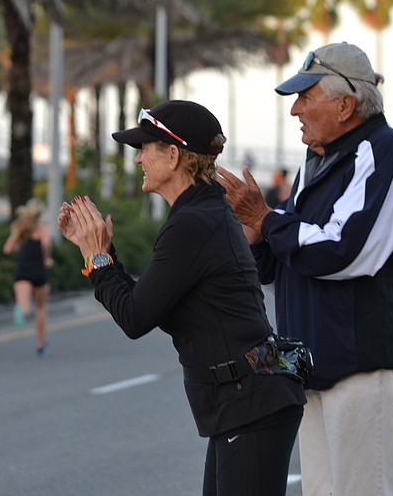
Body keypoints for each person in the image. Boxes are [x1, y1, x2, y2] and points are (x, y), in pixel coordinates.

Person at [58, 100, 306, 496]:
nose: (138, 159)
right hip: (244, 403)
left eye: (145, 148)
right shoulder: (199, 215)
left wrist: (99, 258)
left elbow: (135, 318)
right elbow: (145, 302)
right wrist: (103, 257)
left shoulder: (194, 224)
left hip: (251, 403)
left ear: (173, 155)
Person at [217, 42, 393, 496]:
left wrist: (266, 219)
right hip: (310, 366)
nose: (294, 110)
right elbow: (284, 266)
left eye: (304, 97)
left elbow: (345, 250)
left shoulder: (387, 151)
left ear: (345, 104)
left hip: (360, 365)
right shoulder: (316, 162)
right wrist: (258, 238)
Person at [3, 197, 53, 355]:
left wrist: (20, 249)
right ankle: (40, 344)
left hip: (23, 271)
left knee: (25, 308)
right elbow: (45, 244)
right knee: (41, 308)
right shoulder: (43, 228)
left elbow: (7, 249)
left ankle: (21, 310)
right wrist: (46, 259)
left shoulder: (21, 228)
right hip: (38, 271)